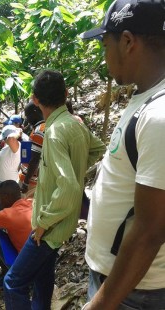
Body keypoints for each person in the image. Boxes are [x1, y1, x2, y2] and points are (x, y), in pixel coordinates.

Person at [80, 1, 165, 309]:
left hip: (135, 292)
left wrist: (101, 304)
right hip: (120, 282)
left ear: (128, 41)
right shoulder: (145, 99)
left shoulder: (159, 115)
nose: (104, 58)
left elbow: (150, 230)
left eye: (105, 45)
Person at [3, 70, 106, 309]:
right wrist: (77, 164)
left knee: (13, 282)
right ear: (66, 93)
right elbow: (98, 148)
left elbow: (68, 185)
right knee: (42, 278)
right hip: (59, 222)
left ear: (35, 99)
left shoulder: (54, 131)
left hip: (49, 226)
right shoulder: (74, 123)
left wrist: (42, 224)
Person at [19, 100, 45, 194]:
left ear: (35, 112)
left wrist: (25, 182)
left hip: (31, 181)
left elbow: (35, 159)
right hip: (32, 178)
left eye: (27, 115)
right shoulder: (39, 128)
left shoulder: (40, 130)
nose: (27, 119)